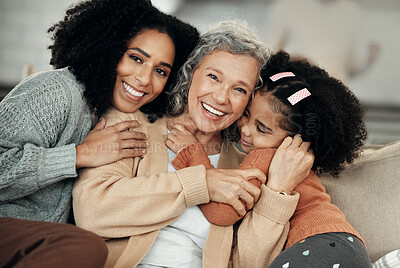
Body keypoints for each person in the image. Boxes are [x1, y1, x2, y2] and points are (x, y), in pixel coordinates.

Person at [73, 20, 314, 268]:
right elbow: (91, 213)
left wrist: (278, 192)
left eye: (239, 89)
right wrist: (201, 184)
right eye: (213, 77)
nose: (221, 98)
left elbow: (249, 263)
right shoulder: (133, 123)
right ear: (190, 73)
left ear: (250, 101)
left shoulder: (244, 161)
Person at [0, 0, 199, 267]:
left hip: (38, 246)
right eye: (136, 58)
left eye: (160, 71)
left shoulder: (109, 112)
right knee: (83, 246)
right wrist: (78, 155)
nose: (143, 79)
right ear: (109, 48)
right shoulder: (58, 91)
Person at [170, 50, 372, 267]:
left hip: (319, 246)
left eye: (262, 129)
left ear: (295, 142)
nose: (246, 130)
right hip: (344, 244)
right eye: (247, 114)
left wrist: (191, 151)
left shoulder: (264, 157)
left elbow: (223, 212)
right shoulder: (274, 154)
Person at [262, 0, 380, 83]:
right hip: (295, 90)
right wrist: (297, 63)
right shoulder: (287, 5)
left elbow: (350, 66)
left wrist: (369, 59)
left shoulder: (351, 11)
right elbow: (268, 54)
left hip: (334, 97)